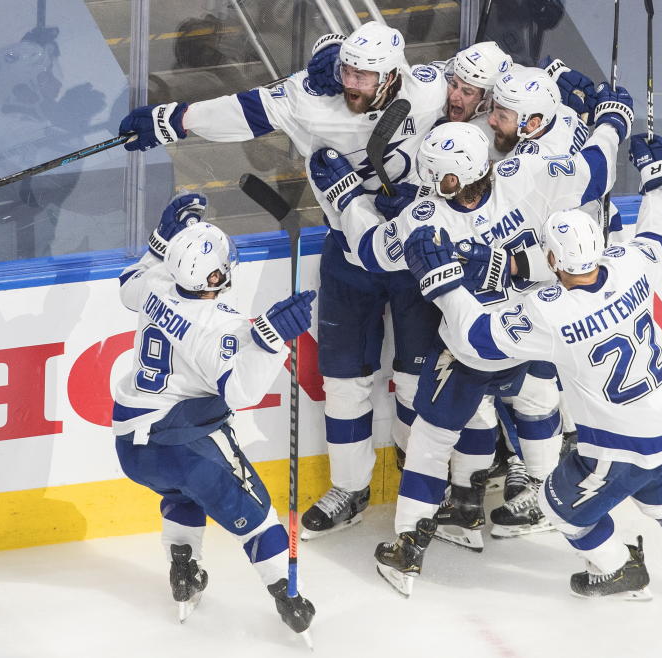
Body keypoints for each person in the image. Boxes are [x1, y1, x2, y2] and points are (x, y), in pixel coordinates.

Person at [117, 21, 448, 540]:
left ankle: (420, 486)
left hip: (420, 257)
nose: (352, 83)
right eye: (348, 71)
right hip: (350, 252)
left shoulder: (430, 87)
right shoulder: (311, 96)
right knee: (342, 387)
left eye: (365, 76)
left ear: (392, 75)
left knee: (416, 383)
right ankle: (351, 488)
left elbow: (486, 89)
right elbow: (246, 111)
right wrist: (174, 119)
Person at [401, 133, 662, 602]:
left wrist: (441, 281)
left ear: (551, 259)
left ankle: (618, 571)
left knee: (560, 507)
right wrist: (657, 186)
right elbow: (661, 240)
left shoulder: (550, 312)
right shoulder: (629, 262)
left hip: (621, 443)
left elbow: (475, 341)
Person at [310, 80, 633, 592]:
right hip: (532, 336)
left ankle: (410, 548)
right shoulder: (524, 171)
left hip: (472, 352)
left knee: (431, 443)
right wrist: (613, 120)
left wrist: (346, 197)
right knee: (541, 414)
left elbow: (371, 251)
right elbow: (595, 172)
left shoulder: (424, 220)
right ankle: (597, 546)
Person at [112, 193, 318, 633]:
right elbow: (240, 391)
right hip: (187, 446)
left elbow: (128, 284)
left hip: (132, 447)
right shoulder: (222, 326)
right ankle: (288, 595)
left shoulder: (157, 284)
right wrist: (271, 339)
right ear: (217, 272)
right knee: (258, 519)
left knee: (182, 493)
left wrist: (158, 241)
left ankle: (183, 569)